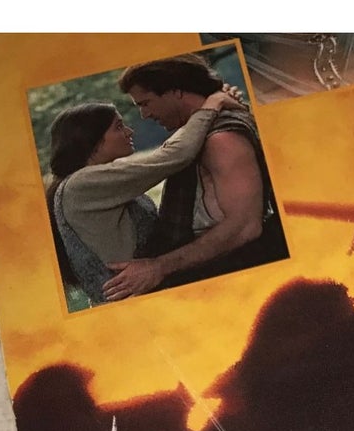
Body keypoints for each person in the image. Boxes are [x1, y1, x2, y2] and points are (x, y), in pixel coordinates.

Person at [102, 55, 288, 300]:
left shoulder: (221, 139)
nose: (144, 115)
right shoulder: (200, 133)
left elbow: (244, 227)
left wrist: (158, 267)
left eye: (146, 103)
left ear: (176, 91)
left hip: (233, 277)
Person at [44, 90, 239, 305]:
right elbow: (175, 155)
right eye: (119, 127)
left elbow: (167, 153)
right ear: (92, 140)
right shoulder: (83, 184)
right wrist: (213, 103)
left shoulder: (88, 182)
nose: (130, 131)